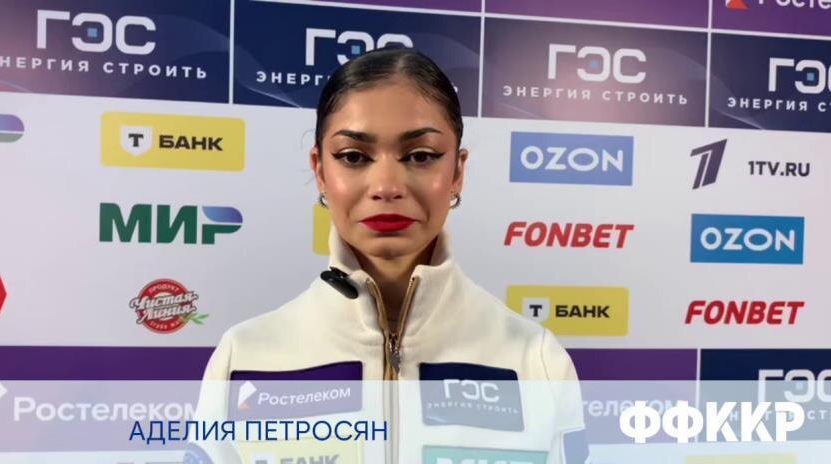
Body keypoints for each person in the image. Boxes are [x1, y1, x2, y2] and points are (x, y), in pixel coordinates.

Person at [193, 47, 588, 464]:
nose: (386, 186)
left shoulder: (536, 359)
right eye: (353, 157)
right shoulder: (243, 357)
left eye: (420, 156)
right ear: (320, 171)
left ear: (457, 172)